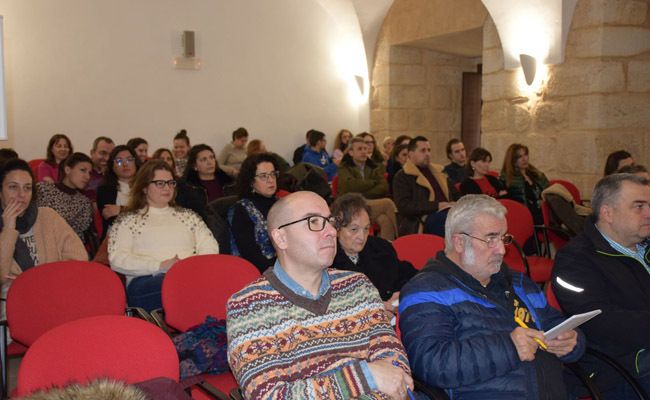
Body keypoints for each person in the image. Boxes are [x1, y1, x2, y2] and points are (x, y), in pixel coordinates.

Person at [226, 191, 414, 400]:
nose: (331, 231)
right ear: (281, 238)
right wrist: (365, 376)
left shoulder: (358, 285)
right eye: (313, 222)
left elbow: (395, 367)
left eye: (330, 222)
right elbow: (268, 395)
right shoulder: (248, 306)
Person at [399, 194, 586, 399]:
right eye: (491, 239)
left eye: (503, 238)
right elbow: (432, 365)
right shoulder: (427, 290)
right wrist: (509, 348)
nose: (502, 250)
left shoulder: (518, 282)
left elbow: (555, 322)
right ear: (459, 242)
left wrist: (571, 342)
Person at [552, 173, 650, 398]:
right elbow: (600, 323)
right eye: (639, 206)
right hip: (617, 367)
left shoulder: (644, 247)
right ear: (608, 213)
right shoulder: (575, 260)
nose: (648, 213)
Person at [108, 160, 219, 311]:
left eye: (171, 183)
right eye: (160, 183)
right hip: (147, 280)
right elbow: (117, 259)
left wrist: (191, 267)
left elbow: (210, 246)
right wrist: (158, 266)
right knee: (181, 286)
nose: (167, 188)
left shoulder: (189, 216)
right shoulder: (128, 220)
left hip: (189, 274)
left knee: (223, 278)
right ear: (144, 187)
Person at [1, 158, 86, 301]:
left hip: (54, 294)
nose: (21, 195)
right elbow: (1, 278)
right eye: (13, 187)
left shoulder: (48, 216)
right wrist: (8, 230)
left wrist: (44, 281)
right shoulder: (5, 230)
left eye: (27, 188)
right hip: (11, 302)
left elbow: (79, 258)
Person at [330, 193, 416, 316]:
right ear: (337, 229)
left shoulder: (381, 248)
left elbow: (407, 275)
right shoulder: (328, 260)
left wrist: (402, 292)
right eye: (354, 229)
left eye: (366, 229)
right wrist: (378, 307)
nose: (362, 236)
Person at [393, 136, 457, 236]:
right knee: (449, 222)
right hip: (424, 217)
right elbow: (404, 206)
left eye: (429, 150)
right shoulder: (403, 176)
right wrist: (437, 206)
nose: (427, 154)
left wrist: (459, 204)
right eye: (423, 150)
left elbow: (456, 194)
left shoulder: (439, 172)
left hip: (450, 211)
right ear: (411, 154)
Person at [337, 137, 398, 241]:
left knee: (385, 221)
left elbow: (384, 187)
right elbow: (349, 186)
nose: (364, 152)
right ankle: (403, 238)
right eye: (359, 149)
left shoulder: (373, 166)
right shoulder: (344, 167)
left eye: (365, 148)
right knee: (387, 203)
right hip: (350, 206)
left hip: (370, 204)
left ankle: (386, 248)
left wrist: (361, 192)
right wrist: (373, 183)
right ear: (351, 152)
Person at [228, 154, 278, 273]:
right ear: (251, 182)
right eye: (263, 176)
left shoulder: (283, 204)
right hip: (265, 271)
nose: (270, 180)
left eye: (273, 174)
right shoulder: (242, 210)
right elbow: (250, 255)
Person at [36, 153, 94, 242]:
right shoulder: (43, 189)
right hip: (37, 239)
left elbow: (77, 236)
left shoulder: (84, 203)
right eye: (83, 170)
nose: (87, 177)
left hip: (66, 245)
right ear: (67, 170)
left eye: (89, 173)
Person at [97, 145, 140, 237]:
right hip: (115, 236)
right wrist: (137, 211)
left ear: (136, 163)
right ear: (112, 166)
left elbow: (151, 212)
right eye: (119, 161)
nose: (125, 164)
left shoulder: (146, 186)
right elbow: (110, 216)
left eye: (129, 160)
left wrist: (121, 210)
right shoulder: (104, 190)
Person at [501, 143, 549, 225]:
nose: (524, 159)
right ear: (513, 160)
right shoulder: (506, 179)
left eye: (525, 155)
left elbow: (549, 192)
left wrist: (544, 201)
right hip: (524, 216)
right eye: (519, 157)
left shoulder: (538, 175)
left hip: (543, 211)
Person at [86, 136, 115, 201]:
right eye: (103, 153)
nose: (107, 158)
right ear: (92, 153)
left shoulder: (116, 174)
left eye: (111, 155)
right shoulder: (82, 172)